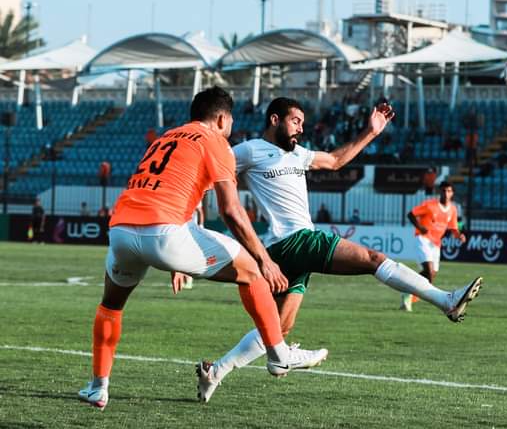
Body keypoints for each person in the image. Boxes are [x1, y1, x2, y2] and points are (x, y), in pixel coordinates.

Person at [190, 97, 483, 403]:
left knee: (279, 328)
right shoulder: (249, 150)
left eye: (303, 123)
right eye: (295, 121)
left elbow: (334, 161)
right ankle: (446, 300)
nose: (300, 128)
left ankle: (216, 371)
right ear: (275, 119)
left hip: (291, 250)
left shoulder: (299, 154)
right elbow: (211, 173)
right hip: (291, 241)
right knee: (373, 259)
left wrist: (371, 132)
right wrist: (190, 211)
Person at [77, 87, 328, 410]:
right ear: (222, 118)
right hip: (165, 233)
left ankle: (99, 387)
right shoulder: (217, 143)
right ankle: (279, 356)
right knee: (252, 273)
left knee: (111, 306)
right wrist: (264, 259)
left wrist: (180, 260)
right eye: (231, 120)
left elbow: (181, 198)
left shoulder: (165, 138)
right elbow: (231, 211)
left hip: (122, 230)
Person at [402, 181, 467, 312]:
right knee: (429, 271)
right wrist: (420, 227)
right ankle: (410, 294)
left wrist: (459, 235)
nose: (446, 193)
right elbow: (411, 214)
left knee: (430, 277)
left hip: (436, 244)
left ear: (452, 193)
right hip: (423, 239)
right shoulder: (430, 205)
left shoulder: (453, 209)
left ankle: (409, 294)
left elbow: (453, 228)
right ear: (439, 192)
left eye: (449, 191)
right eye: (443, 190)